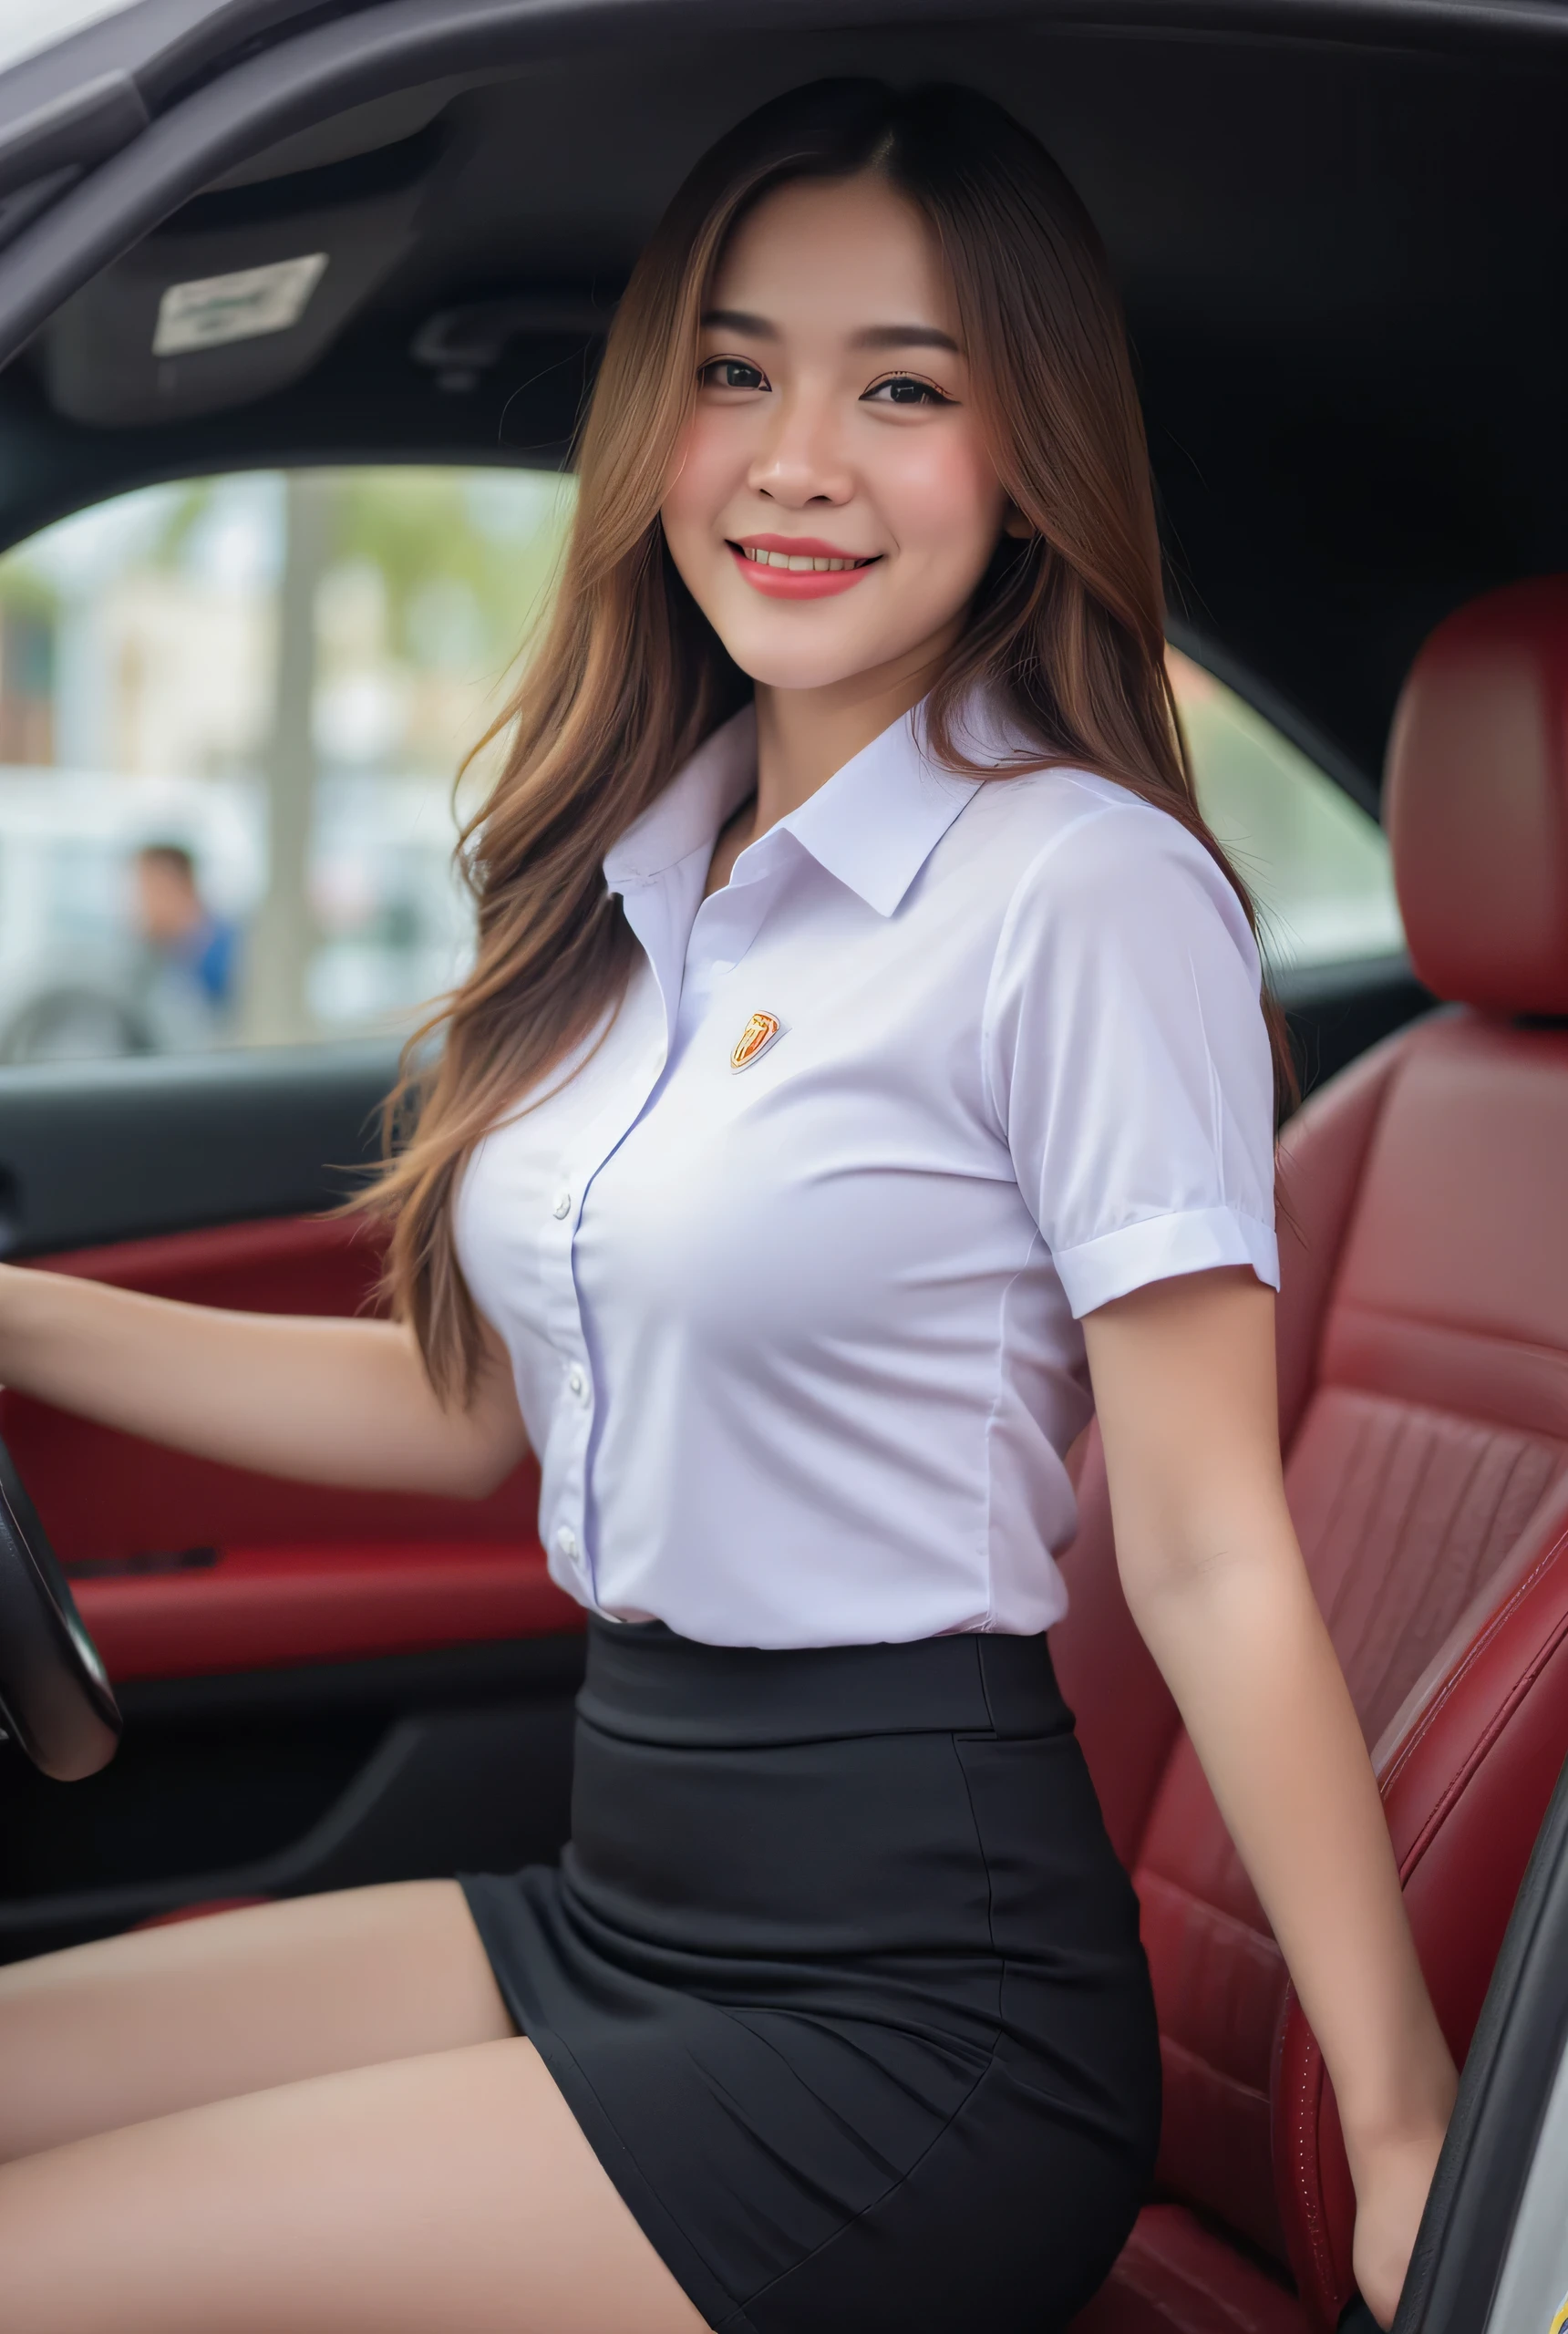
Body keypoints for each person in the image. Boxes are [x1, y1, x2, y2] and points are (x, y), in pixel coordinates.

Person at [0, 78, 1455, 2334]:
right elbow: (478, 1412)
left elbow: (1196, 1539)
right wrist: (23, 1319)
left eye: (900, 388)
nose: (793, 457)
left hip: (910, 2030)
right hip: (625, 1897)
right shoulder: (648, 874)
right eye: (730, 370)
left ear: (1023, 451)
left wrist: (1399, 2128)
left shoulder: (1079, 891)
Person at [131, 840, 238, 1043]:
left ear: (183, 887)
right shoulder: (155, 954)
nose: (142, 906)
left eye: (150, 890)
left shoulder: (228, 953)